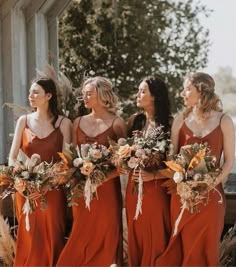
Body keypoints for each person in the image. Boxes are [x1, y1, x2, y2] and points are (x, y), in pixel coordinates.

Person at [156, 72, 235, 266]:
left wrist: (210, 183)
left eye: (187, 88)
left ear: (200, 90)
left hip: (211, 195)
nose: (182, 93)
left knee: (207, 247)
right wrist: (183, 178)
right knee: (182, 244)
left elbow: (229, 161)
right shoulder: (180, 120)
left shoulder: (224, 121)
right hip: (183, 195)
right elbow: (171, 157)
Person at [56, 76, 127, 266]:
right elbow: (69, 156)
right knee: (80, 234)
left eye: (89, 94)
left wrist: (101, 178)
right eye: (83, 94)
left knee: (106, 235)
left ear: (103, 96)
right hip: (81, 190)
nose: (84, 97)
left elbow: (124, 163)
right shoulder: (77, 122)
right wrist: (72, 176)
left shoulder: (117, 123)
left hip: (107, 192)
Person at [9, 77, 71, 266]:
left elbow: (67, 161)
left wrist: (48, 182)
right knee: (29, 238)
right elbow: (12, 158)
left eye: (35, 92)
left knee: (53, 237)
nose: (30, 96)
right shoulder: (23, 121)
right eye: (30, 92)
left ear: (48, 96)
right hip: (26, 192)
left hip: (52, 192)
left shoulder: (64, 123)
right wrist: (22, 183)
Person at [125, 76, 172, 266]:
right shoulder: (135, 121)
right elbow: (123, 152)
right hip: (133, 188)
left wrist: (154, 175)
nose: (138, 95)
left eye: (143, 91)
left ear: (155, 97)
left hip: (157, 190)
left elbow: (176, 164)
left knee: (156, 235)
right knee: (136, 234)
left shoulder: (169, 124)